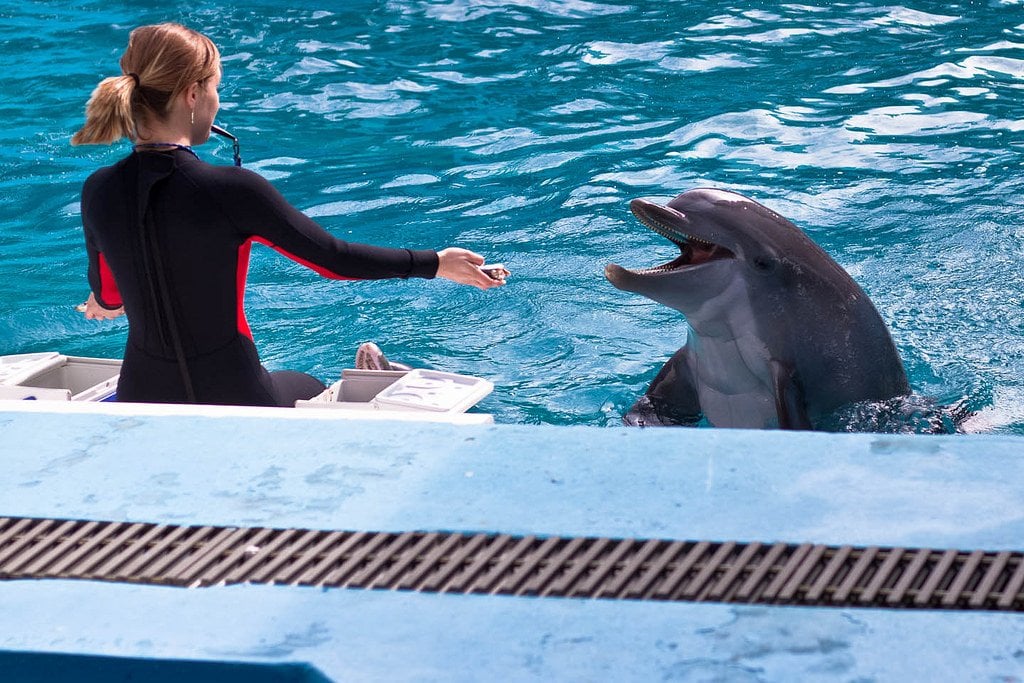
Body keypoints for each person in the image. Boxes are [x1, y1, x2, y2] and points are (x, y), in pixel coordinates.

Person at [71, 22, 503, 407]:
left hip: (141, 398)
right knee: (307, 384)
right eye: (216, 88)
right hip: (237, 398)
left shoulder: (99, 190)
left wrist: (106, 301)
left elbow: (109, 295)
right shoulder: (232, 189)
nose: (216, 103)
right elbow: (335, 259)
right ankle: (371, 382)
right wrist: (437, 263)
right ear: (192, 94)